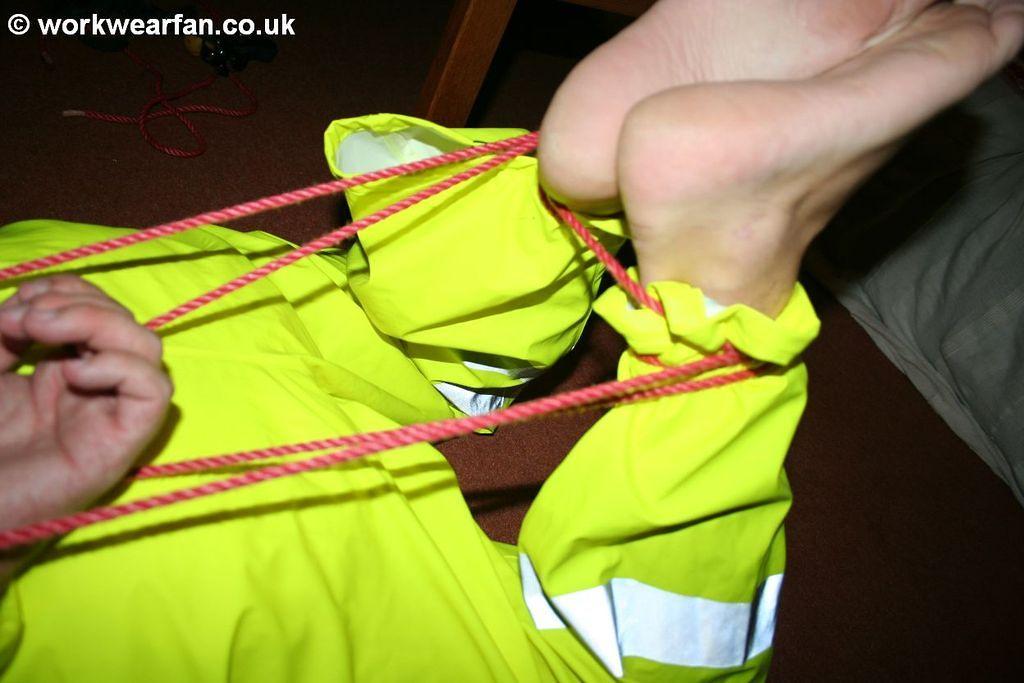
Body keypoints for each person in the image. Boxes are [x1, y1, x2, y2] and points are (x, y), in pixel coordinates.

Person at [1, 1, 1021, 680]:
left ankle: (721, 279)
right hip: (72, 310)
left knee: (599, 657)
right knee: (352, 328)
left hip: (128, 568)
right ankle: (556, 201)